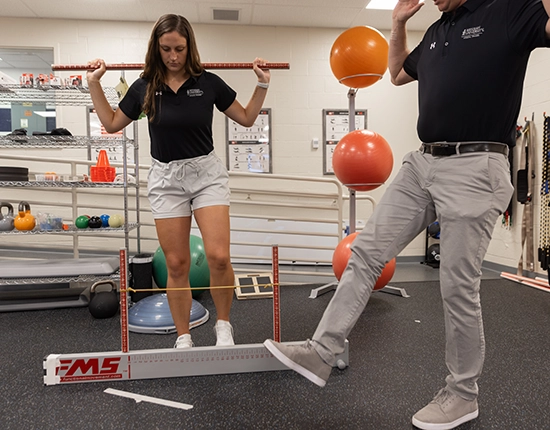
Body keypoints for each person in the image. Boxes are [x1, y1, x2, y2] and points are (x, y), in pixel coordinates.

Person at [264, 1, 550, 429]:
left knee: (457, 287)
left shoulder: (508, 12)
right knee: (365, 253)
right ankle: (322, 350)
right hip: (423, 163)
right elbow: (397, 73)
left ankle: (461, 395)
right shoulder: (436, 32)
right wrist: (397, 23)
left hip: (476, 164)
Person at [86, 14, 271, 349]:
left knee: (218, 256)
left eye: (180, 49)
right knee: (176, 262)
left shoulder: (209, 82)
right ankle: (183, 335)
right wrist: (95, 83)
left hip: (206, 176)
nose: (173, 56)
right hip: (165, 177)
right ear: (156, 49)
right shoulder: (144, 87)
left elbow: (245, 118)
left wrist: (262, 84)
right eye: (166, 49)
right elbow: (112, 123)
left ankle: (224, 326)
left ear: (190, 48)